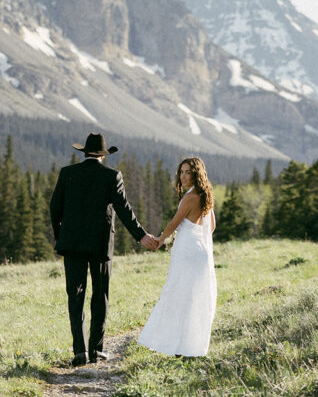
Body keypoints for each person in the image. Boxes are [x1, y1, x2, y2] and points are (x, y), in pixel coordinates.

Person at [49, 132, 159, 367]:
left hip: (72, 245)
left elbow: (55, 207)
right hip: (99, 245)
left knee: (75, 296)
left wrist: (61, 238)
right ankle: (96, 350)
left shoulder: (67, 173)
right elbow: (124, 209)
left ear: (85, 153)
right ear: (103, 155)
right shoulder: (112, 176)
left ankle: (79, 351)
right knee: (100, 296)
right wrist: (141, 236)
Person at [138, 156, 217, 357]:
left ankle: (176, 345)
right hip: (200, 251)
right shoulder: (205, 195)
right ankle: (188, 346)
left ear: (196, 174)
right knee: (192, 298)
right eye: (181, 172)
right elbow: (212, 226)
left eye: (188, 172)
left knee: (178, 295)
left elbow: (174, 222)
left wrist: (160, 239)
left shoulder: (190, 198)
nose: (183, 176)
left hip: (188, 252)